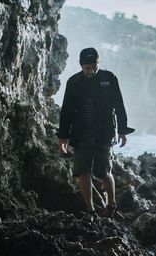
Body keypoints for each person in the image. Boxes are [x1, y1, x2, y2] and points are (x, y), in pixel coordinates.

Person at [57, 47, 134, 223]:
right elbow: (66, 111)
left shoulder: (109, 78)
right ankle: (90, 211)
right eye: (87, 68)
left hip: (104, 133)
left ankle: (111, 205)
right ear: (81, 66)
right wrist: (63, 137)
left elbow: (119, 105)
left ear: (99, 63)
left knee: (103, 171)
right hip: (81, 134)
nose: (90, 71)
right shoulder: (74, 82)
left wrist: (123, 130)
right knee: (82, 171)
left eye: (94, 67)